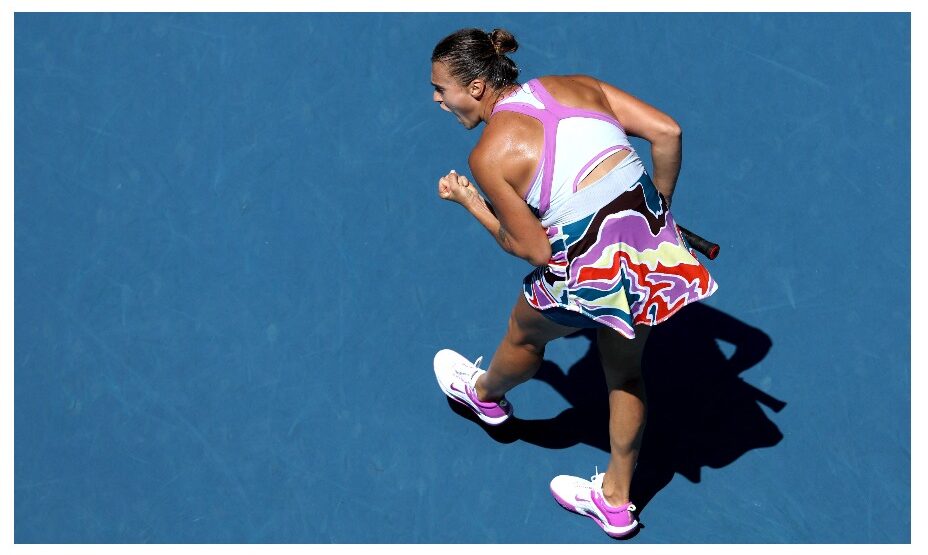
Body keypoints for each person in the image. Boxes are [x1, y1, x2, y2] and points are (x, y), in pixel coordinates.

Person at [430, 27, 717, 539]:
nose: (437, 99)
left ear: (475, 87)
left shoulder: (488, 156)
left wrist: (472, 202)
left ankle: (485, 397)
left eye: (440, 89)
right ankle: (616, 502)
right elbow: (667, 133)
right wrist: (658, 214)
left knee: (524, 332)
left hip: (589, 266)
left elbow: (533, 249)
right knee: (624, 372)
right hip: (649, 248)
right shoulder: (576, 84)